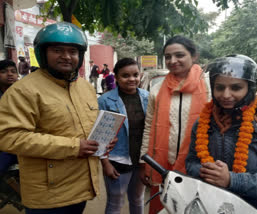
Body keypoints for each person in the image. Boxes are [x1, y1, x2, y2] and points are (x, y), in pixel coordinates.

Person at [0, 22, 108, 214]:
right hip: (48, 195)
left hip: (81, 187)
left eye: (73, 51)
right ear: (43, 53)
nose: (66, 56)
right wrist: (75, 147)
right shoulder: (23, 90)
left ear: (80, 56)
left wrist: (103, 139)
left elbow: (87, 128)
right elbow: (9, 137)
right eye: (58, 50)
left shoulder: (84, 87)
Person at [185, 54, 257, 214]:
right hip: (217, 206)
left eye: (236, 88)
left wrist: (231, 180)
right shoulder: (203, 122)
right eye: (219, 87)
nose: (225, 95)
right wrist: (207, 173)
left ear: (251, 88)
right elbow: (191, 162)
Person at [139, 35, 211, 213]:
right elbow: (149, 127)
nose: (173, 61)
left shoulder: (209, 86)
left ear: (194, 56)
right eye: (168, 57)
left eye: (179, 55)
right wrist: (144, 161)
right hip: (162, 164)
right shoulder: (157, 90)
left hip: (197, 165)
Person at [98, 58, 149, 214]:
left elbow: (151, 130)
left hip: (140, 160)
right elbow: (100, 136)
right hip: (117, 160)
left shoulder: (147, 97)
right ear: (117, 77)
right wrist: (105, 163)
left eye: (135, 74)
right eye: (125, 76)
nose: (132, 79)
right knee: (115, 203)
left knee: (137, 199)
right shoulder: (105, 100)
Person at [0, 59, 19, 174]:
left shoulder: (24, 93)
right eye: (4, 71)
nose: (10, 74)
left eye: (13, 71)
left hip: (17, 141)